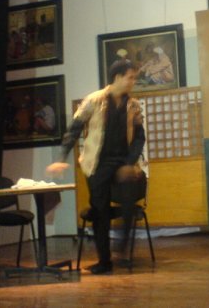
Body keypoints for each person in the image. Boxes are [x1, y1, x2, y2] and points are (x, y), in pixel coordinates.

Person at [46, 60, 145, 275]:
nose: (133, 82)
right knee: (100, 211)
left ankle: (122, 249)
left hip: (123, 163)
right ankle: (104, 261)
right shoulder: (94, 100)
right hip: (97, 163)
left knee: (129, 204)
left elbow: (139, 137)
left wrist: (130, 163)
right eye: (130, 77)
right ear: (117, 77)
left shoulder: (133, 105)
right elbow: (75, 128)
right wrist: (62, 156)